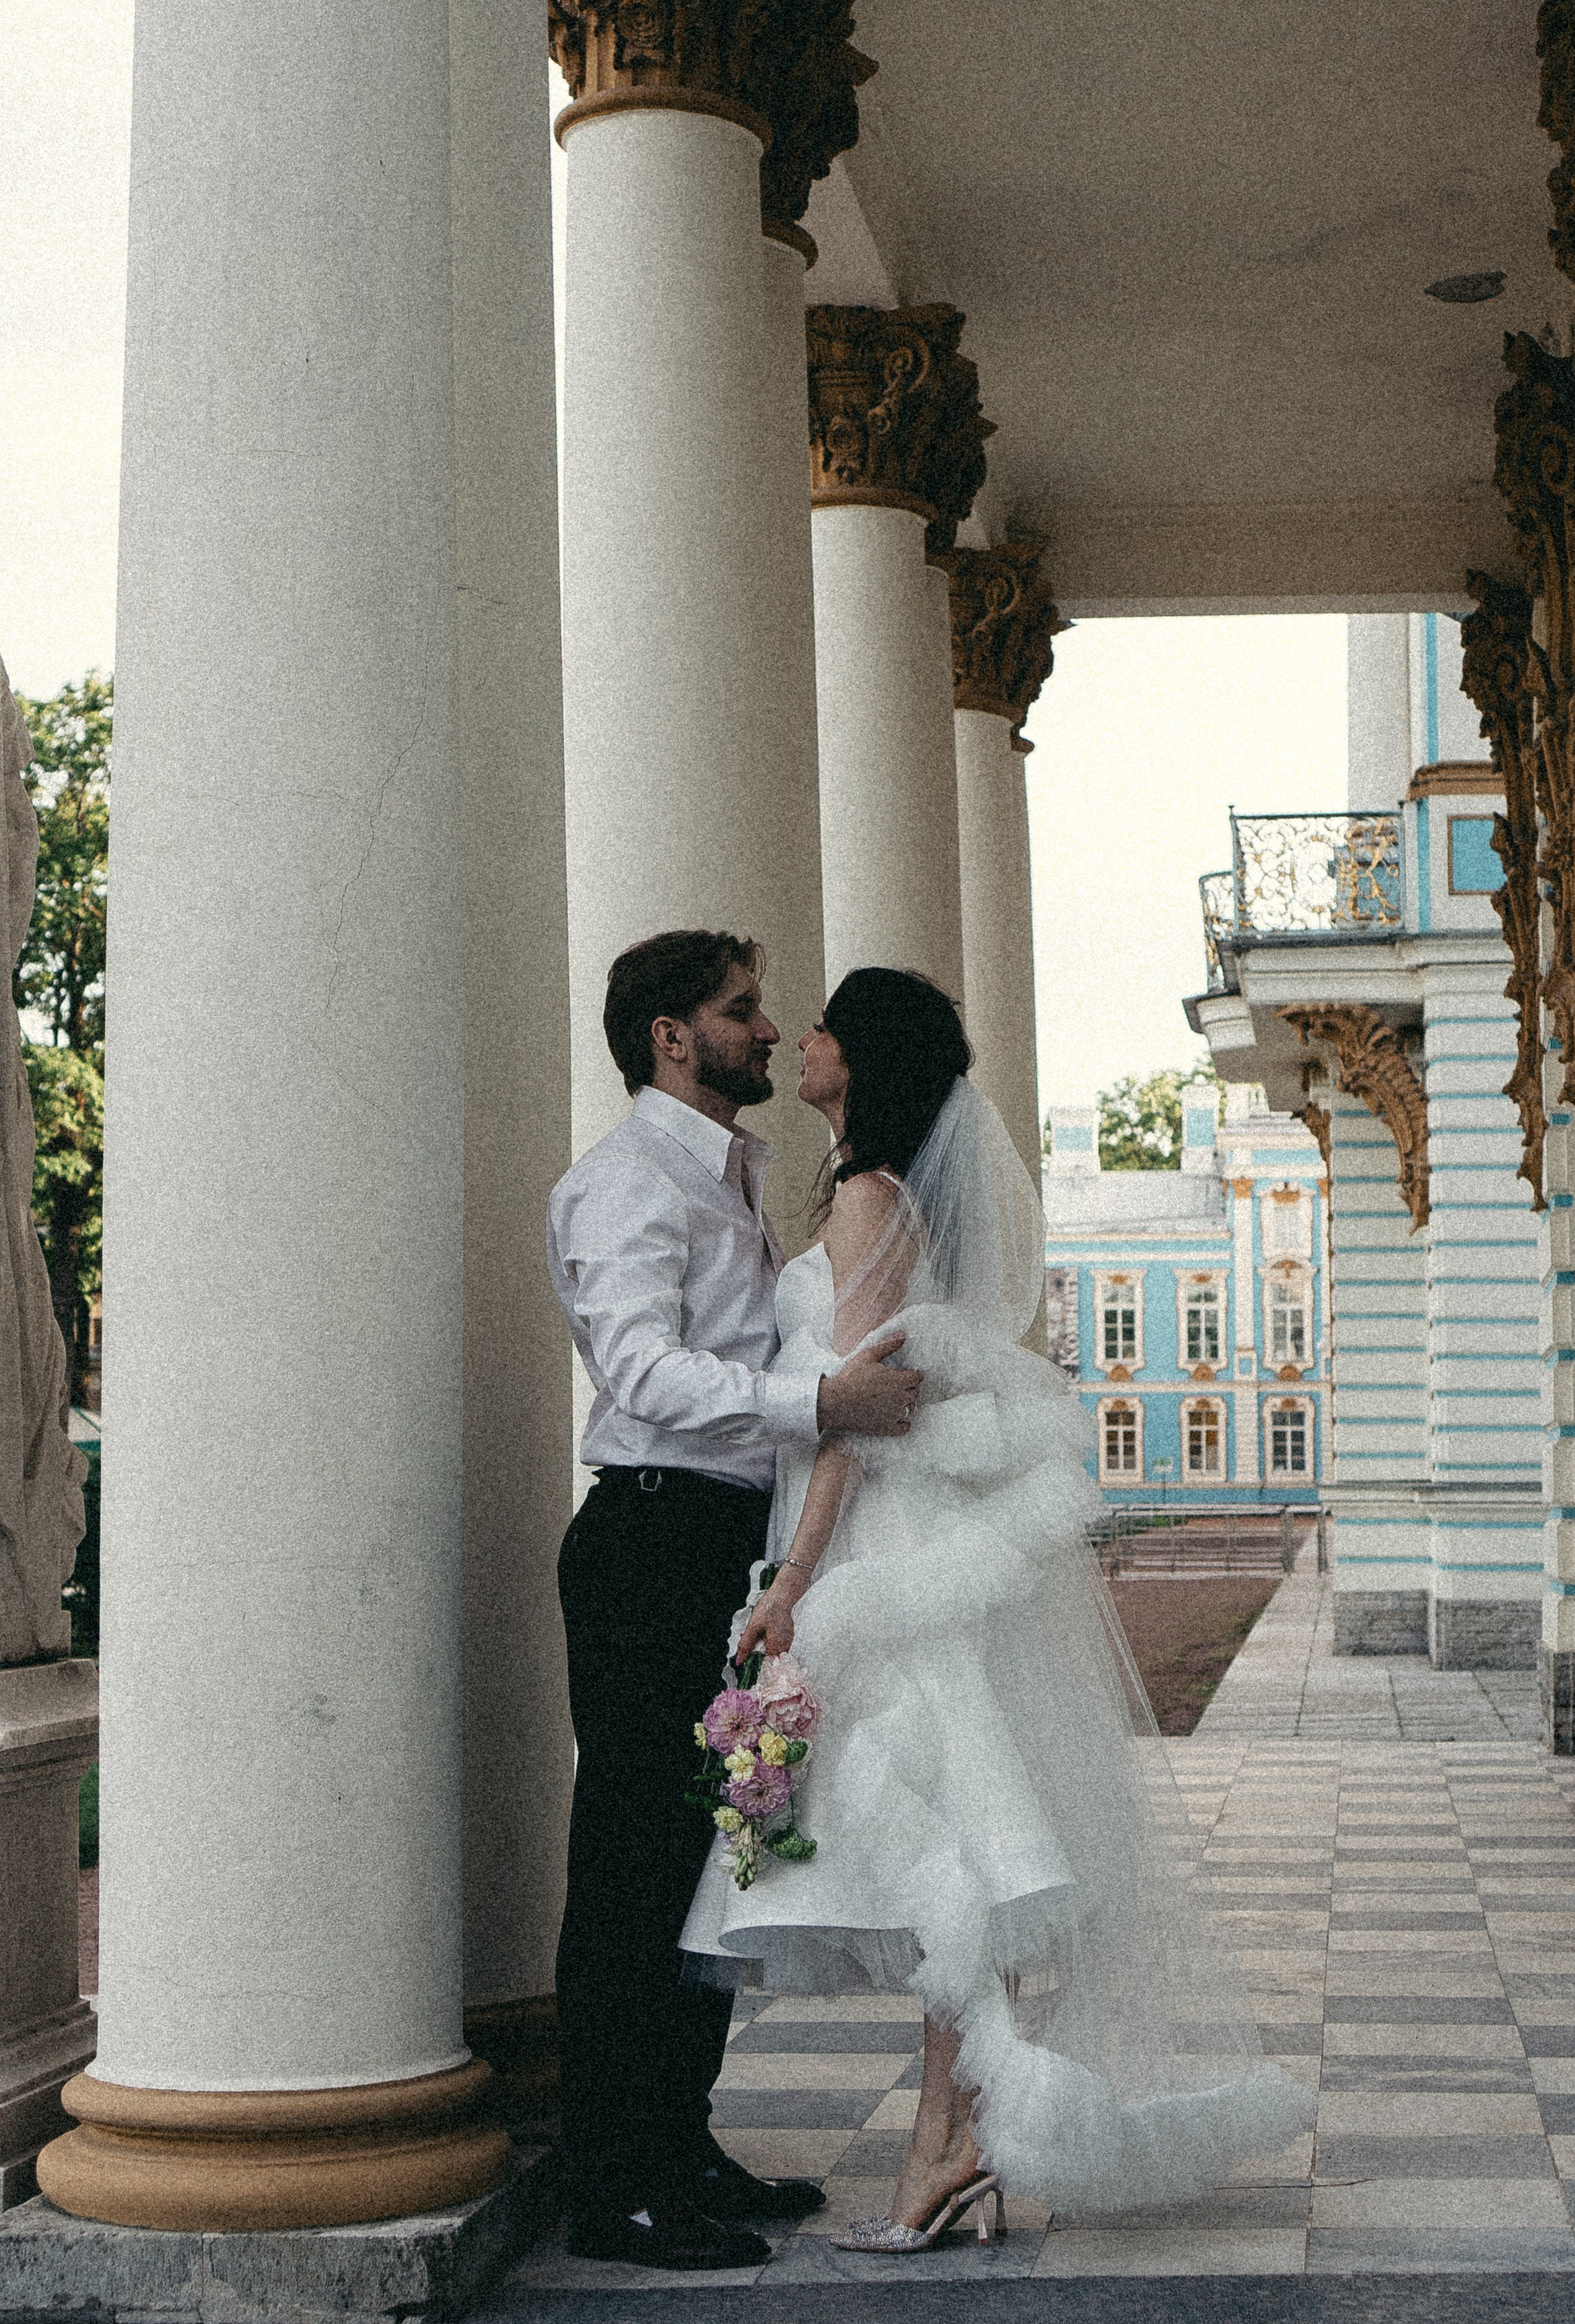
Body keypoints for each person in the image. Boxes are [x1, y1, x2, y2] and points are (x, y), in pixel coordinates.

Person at [682, 967, 1314, 2252]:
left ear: (860, 1059)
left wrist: (794, 1580)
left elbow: (859, 1415)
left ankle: (948, 2142)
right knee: (950, 1853)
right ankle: (952, 2139)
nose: (799, 1039)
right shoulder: (889, 1198)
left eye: (822, 1026)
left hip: (878, 1548)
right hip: (897, 1540)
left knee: (944, 1850)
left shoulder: (867, 1202)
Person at [545, 929, 924, 2271]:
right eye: (740, 1012)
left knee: (713, 1851)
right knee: (634, 1868)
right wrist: (816, 1399)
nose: (767, 1032)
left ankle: (676, 2138)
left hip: (719, 1545)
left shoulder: (724, 1177)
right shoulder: (625, 1186)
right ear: (668, 1036)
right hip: (650, 1543)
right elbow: (641, 1373)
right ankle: (611, 2183)